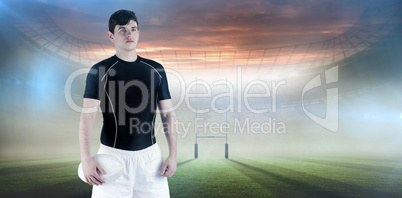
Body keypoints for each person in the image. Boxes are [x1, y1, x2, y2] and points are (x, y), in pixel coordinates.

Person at [78, 9, 177, 198]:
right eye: (122, 30)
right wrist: (86, 158)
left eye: (133, 29)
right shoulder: (99, 70)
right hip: (111, 159)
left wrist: (173, 155)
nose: (129, 34)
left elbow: (168, 114)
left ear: (139, 33)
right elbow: (87, 115)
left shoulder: (156, 69)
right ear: (111, 36)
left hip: (151, 161)